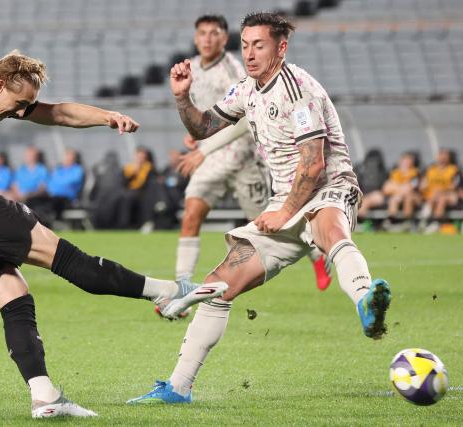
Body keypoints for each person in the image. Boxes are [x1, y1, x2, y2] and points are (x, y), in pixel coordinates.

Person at [0, 50, 228, 418]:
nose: (21, 112)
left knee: (14, 294)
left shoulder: (3, 99)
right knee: (65, 257)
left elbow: (59, 112)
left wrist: (107, 117)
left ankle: (44, 396)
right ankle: (167, 293)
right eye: (19, 104)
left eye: (26, 105)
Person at [128, 12, 391, 405]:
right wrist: (183, 97)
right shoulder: (246, 90)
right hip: (282, 203)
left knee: (328, 230)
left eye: (259, 45)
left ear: (280, 47)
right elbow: (202, 128)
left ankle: (365, 300)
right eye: (245, 44)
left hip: (328, 189)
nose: (249, 53)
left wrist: (285, 213)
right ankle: (178, 388)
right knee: (220, 286)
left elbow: (314, 163)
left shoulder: (298, 89)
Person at [171, 15, 332, 294]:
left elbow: (246, 118)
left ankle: (317, 256)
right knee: (191, 214)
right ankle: (183, 285)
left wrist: (204, 148)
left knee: (277, 224)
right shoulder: (192, 68)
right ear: (195, 38)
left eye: (214, 34)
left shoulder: (236, 70)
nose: (207, 39)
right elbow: (209, 115)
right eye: (202, 34)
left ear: (224, 38)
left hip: (243, 158)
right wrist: (196, 132)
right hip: (211, 160)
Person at [420, 148, 460, 232]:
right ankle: (426, 221)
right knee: (436, 196)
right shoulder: (430, 169)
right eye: (440, 155)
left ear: (449, 158)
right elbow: (423, 184)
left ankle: (435, 223)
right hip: (431, 196)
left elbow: (455, 186)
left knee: (442, 199)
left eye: (445, 155)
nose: (442, 158)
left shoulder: (454, 170)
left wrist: (441, 189)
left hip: (448, 195)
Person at [381, 152, 421, 231]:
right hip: (397, 196)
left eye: (408, 161)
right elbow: (386, 188)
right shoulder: (395, 173)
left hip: (414, 197)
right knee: (394, 199)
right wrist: (399, 191)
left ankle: (407, 223)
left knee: (408, 197)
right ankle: (391, 223)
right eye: (404, 160)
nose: (406, 163)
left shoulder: (415, 173)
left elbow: (410, 188)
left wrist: (397, 190)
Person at [355, 149, 387, 221]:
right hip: (363, 195)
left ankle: (360, 222)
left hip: (377, 196)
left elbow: (384, 188)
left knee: (366, 201)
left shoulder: (382, 172)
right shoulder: (360, 170)